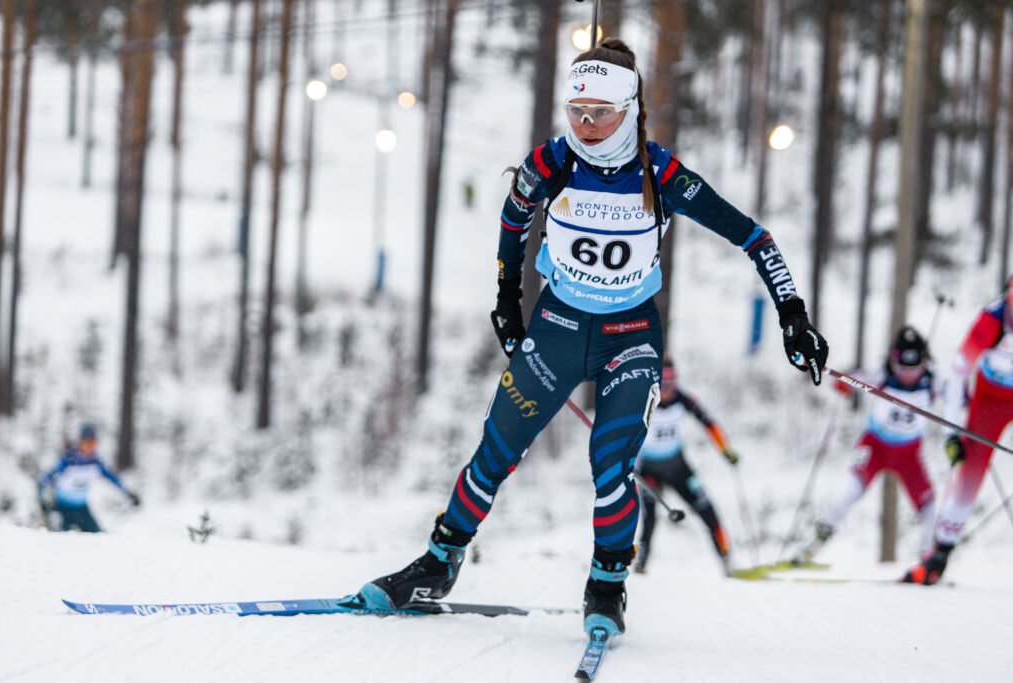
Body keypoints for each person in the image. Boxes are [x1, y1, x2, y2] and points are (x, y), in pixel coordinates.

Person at [354, 38, 828, 638]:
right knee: (495, 451)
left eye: (601, 112)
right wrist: (506, 298)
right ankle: (439, 563)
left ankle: (606, 585)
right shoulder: (551, 162)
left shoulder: (662, 172)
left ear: (629, 107)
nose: (587, 124)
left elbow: (754, 237)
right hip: (557, 328)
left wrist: (793, 313)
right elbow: (512, 221)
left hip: (629, 337)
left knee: (611, 467)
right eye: (577, 111)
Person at [794, 326, 938, 565]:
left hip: (909, 453)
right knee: (850, 491)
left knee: (929, 503)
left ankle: (928, 558)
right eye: (902, 368)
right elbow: (852, 379)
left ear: (925, 362)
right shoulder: (881, 375)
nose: (908, 375)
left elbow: (959, 394)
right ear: (893, 361)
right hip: (876, 446)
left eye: (914, 369)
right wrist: (843, 384)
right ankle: (810, 547)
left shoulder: (933, 382)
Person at [905, 279, 1013, 584]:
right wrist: (953, 432)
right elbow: (957, 372)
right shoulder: (992, 320)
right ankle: (938, 555)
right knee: (969, 473)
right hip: (990, 400)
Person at [634, 358, 740, 576]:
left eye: (672, 384)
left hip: (679, 468)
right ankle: (641, 564)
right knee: (650, 518)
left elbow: (709, 423)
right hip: (650, 471)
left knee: (707, 510)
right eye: (663, 385)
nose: (668, 391)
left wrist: (725, 451)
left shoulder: (683, 400)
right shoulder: (643, 401)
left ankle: (727, 561)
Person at [37, 424, 140, 532]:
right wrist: (42, 499)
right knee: (61, 540)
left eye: (93, 443)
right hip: (63, 509)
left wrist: (128, 493)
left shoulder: (95, 462)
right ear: (81, 442)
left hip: (82, 509)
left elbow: (113, 478)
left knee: (98, 538)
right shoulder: (68, 460)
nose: (90, 446)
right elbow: (46, 478)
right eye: (87, 442)